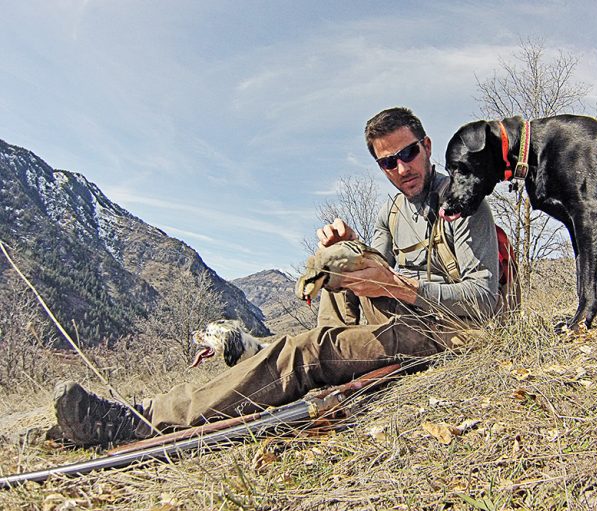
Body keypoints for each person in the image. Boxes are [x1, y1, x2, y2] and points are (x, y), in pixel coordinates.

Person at [53, 107, 501, 447]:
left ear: (426, 145)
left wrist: (398, 286)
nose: (402, 169)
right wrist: (348, 249)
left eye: (408, 154)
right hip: (396, 316)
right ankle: (307, 365)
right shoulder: (394, 211)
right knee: (335, 266)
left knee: (303, 350)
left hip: (446, 330)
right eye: (388, 163)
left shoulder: (465, 202)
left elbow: (484, 299)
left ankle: (139, 419)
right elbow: (374, 271)